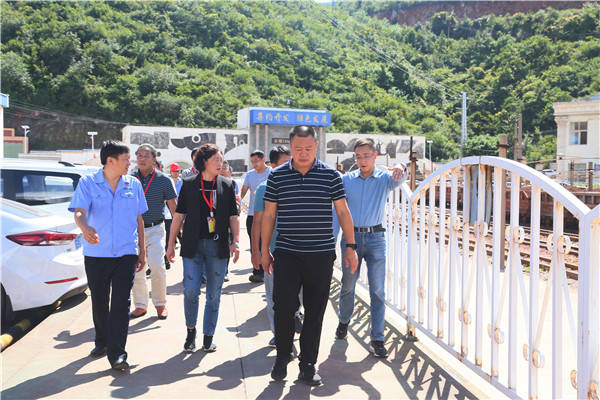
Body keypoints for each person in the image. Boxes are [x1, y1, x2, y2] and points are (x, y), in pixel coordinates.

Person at [261, 125, 359, 386]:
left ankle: (307, 364)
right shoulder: (277, 176)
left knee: (315, 312)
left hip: (320, 254)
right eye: (297, 148)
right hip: (287, 253)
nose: (303, 153)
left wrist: (351, 247)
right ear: (290, 147)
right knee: (283, 308)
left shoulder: (331, 175)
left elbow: (343, 211)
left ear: (316, 146)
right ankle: (282, 357)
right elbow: (269, 215)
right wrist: (264, 251)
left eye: (308, 148)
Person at [69, 140, 147, 371]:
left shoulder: (133, 184)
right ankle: (102, 341)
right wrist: (85, 227)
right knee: (100, 300)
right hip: (97, 254)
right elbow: (79, 212)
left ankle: (117, 354)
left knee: (121, 303)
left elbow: (139, 219)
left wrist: (142, 250)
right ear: (110, 161)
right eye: (126, 159)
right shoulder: (88, 183)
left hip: (126, 252)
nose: (130, 163)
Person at [335, 137, 406, 358]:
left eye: (367, 156)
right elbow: (338, 209)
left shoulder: (385, 179)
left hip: (376, 238)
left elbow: (401, 177)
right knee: (348, 285)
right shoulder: (347, 180)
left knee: (377, 290)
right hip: (351, 238)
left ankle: (377, 338)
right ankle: (344, 321)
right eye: (358, 157)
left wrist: (400, 165)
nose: (362, 160)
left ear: (375, 155)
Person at [166, 143, 240, 353]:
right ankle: (191, 332)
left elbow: (233, 217)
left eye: (221, 160)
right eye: (216, 159)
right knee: (191, 290)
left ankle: (209, 337)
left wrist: (235, 241)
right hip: (193, 245)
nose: (220, 163)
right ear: (204, 162)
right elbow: (178, 216)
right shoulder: (189, 184)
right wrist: (170, 245)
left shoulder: (227, 185)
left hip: (218, 246)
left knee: (214, 294)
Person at [251, 145, 304, 349]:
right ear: (272, 166)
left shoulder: (302, 184)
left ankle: (296, 314)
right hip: (273, 252)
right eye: (284, 163)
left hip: (300, 251)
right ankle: (278, 334)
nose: (291, 166)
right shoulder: (264, 189)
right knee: (274, 296)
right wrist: (257, 251)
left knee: (300, 294)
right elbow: (257, 221)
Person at [130, 144, 177, 320]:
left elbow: (174, 209)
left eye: (146, 156)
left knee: (157, 265)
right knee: (137, 269)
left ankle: (160, 304)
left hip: (156, 229)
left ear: (154, 160)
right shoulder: (129, 179)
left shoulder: (164, 180)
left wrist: (179, 233)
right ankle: (141, 305)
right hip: (134, 231)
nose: (142, 159)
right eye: (139, 156)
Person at [240, 150, 271, 283]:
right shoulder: (250, 175)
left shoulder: (272, 173)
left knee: (267, 243)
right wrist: (238, 201)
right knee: (255, 244)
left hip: (268, 215)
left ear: (263, 160)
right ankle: (257, 271)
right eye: (252, 162)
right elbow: (243, 190)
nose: (254, 164)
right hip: (253, 215)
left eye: (256, 161)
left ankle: (268, 271)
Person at [164, 163, 183, 271]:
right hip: (169, 212)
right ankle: (166, 260)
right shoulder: (168, 181)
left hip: (181, 212)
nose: (176, 173)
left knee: (182, 235)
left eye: (177, 171)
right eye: (174, 171)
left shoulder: (182, 182)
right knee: (168, 236)